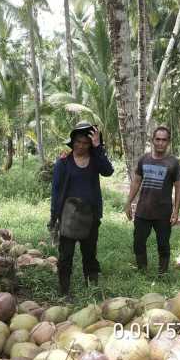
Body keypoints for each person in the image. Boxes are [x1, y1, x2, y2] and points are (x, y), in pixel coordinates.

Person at [49, 122, 114, 298]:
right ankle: (64, 291)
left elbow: (108, 171)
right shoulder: (63, 163)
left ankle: (92, 288)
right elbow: (55, 191)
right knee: (66, 256)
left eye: (85, 143)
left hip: (90, 216)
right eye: (78, 142)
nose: (81, 146)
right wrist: (54, 217)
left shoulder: (95, 161)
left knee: (89, 254)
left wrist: (98, 147)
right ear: (73, 142)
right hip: (68, 216)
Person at [125, 126, 180, 275]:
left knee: (163, 244)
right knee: (138, 242)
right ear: (152, 140)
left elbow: (178, 187)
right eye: (158, 139)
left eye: (164, 140)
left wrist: (176, 211)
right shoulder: (144, 159)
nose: (160, 143)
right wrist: (128, 202)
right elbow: (136, 182)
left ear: (168, 142)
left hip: (163, 212)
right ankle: (142, 271)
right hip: (143, 211)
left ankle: (162, 273)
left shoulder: (173, 163)